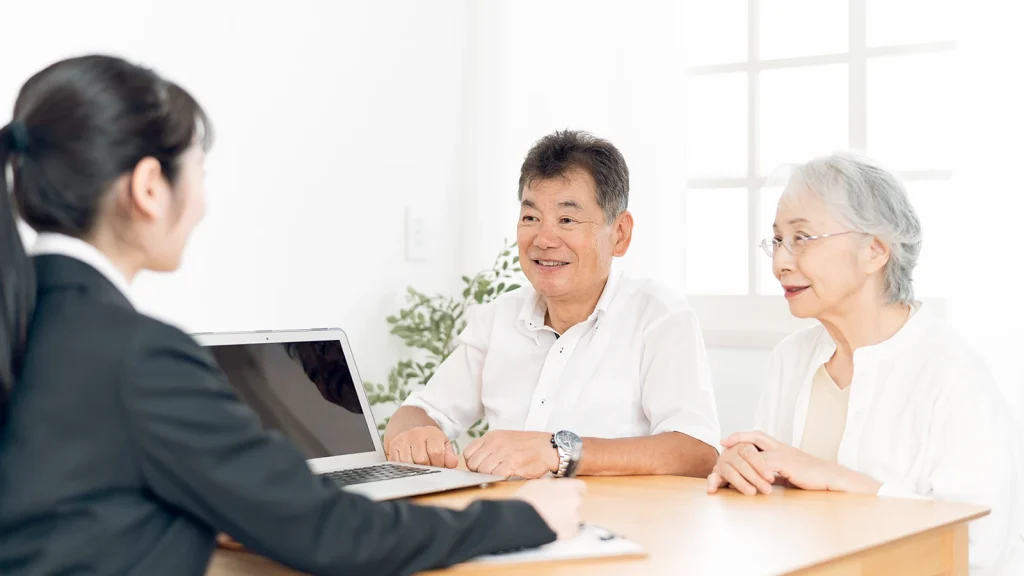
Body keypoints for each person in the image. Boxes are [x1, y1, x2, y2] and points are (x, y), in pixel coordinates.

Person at [0, 55, 585, 576]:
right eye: (199, 170)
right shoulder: (136, 355)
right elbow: (334, 535)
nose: (202, 202)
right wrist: (522, 518)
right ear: (150, 187)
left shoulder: (28, 327)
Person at [706, 151, 1022, 573]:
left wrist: (837, 479)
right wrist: (743, 472)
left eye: (802, 238)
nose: (780, 262)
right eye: (778, 240)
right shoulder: (791, 358)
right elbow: (769, 516)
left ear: (874, 251)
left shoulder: (954, 375)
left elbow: (979, 547)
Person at [384, 130, 720, 479]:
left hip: (610, 512)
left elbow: (697, 451)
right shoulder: (499, 317)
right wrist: (415, 436)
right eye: (530, 218)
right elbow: (418, 412)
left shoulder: (659, 316)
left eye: (567, 220)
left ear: (620, 234)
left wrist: (559, 451)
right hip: (507, 510)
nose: (543, 240)